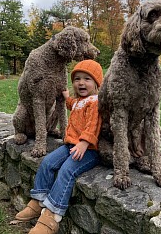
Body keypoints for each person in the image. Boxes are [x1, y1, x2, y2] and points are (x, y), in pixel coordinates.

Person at [15, 60, 103, 234]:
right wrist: (65, 96)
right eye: (77, 79)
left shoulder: (95, 102)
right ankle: (38, 199)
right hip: (71, 144)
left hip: (89, 150)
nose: (81, 83)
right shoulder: (79, 101)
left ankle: (52, 215)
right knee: (47, 162)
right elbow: (72, 104)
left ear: (97, 83)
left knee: (67, 170)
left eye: (87, 79)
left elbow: (94, 125)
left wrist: (84, 143)